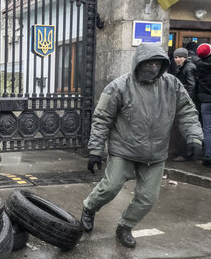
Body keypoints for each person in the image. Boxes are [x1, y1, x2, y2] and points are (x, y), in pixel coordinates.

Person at [81, 43, 202, 248]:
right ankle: (89, 208)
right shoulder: (119, 86)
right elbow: (102, 118)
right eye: (149, 62)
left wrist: (195, 137)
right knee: (110, 188)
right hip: (124, 149)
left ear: (163, 64)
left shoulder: (171, 85)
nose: (153, 67)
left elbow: (187, 111)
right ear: (139, 62)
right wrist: (95, 150)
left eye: (157, 63)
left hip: (155, 154)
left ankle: (125, 226)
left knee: (147, 198)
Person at [168, 47, 197, 161]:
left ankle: (186, 153)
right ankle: (179, 151)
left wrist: (184, 100)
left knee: (184, 128)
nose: (177, 59)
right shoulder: (181, 68)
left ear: (185, 57)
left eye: (180, 57)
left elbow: (191, 86)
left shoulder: (189, 68)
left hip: (186, 103)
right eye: (175, 57)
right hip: (181, 101)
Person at [194, 42, 211, 168]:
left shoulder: (199, 64)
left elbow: (201, 54)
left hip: (206, 101)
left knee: (207, 131)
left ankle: (209, 158)